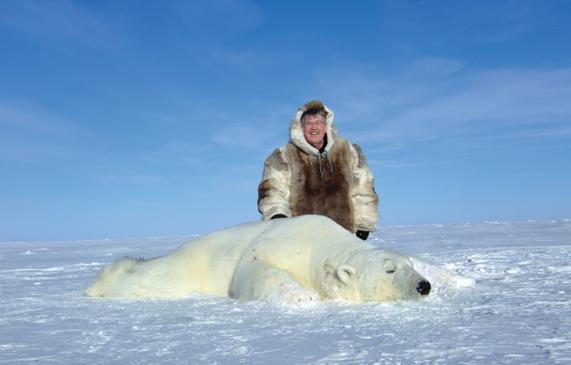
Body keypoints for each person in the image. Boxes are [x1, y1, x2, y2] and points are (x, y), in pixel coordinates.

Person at [257, 100, 379, 240]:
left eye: (319, 122)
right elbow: (273, 190)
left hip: (345, 238)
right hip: (302, 240)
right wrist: (278, 218)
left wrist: (363, 225)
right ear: (300, 127)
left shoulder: (347, 150)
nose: (314, 127)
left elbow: (363, 188)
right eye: (308, 123)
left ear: (327, 126)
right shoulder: (284, 155)